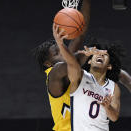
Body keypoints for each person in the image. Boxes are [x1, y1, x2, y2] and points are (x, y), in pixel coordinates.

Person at [33, 0, 91, 130]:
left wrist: (87, 2)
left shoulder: (67, 61)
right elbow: (73, 62)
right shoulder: (54, 74)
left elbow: (80, 34)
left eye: (61, 48)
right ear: (48, 63)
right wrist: (87, 53)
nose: (63, 53)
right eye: (57, 53)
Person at [55, 29, 122, 131]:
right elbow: (71, 62)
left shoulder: (113, 87)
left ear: (109, 66)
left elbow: (114, 117)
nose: (100, 55)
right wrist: (60, 44)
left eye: (105, 55)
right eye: (97, 53)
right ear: (90, 61)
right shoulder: (80, 76)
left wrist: (108, 107)